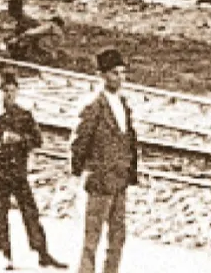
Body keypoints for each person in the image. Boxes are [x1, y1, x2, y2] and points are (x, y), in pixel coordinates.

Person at [0, 71, 67, 270]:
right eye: (5, 91)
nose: (9, 95)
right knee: (1, 214)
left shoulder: (24, 116)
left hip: (18, 172)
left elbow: (38, 140)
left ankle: (42, 253)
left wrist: (21, 139)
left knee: (30, 212)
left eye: (13, 91)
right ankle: (4, 254)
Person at [71, 48, 137, 273]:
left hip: (119, 181)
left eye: (122, 73)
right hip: (99, 182)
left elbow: (128, 140)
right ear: (101, 75)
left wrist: (128, 171)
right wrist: (85, 173)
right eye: (114, 73)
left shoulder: (123, 104)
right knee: (91, 239)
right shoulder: (93, 106)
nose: (119, 78)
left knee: (117, 238)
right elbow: (78, 143)